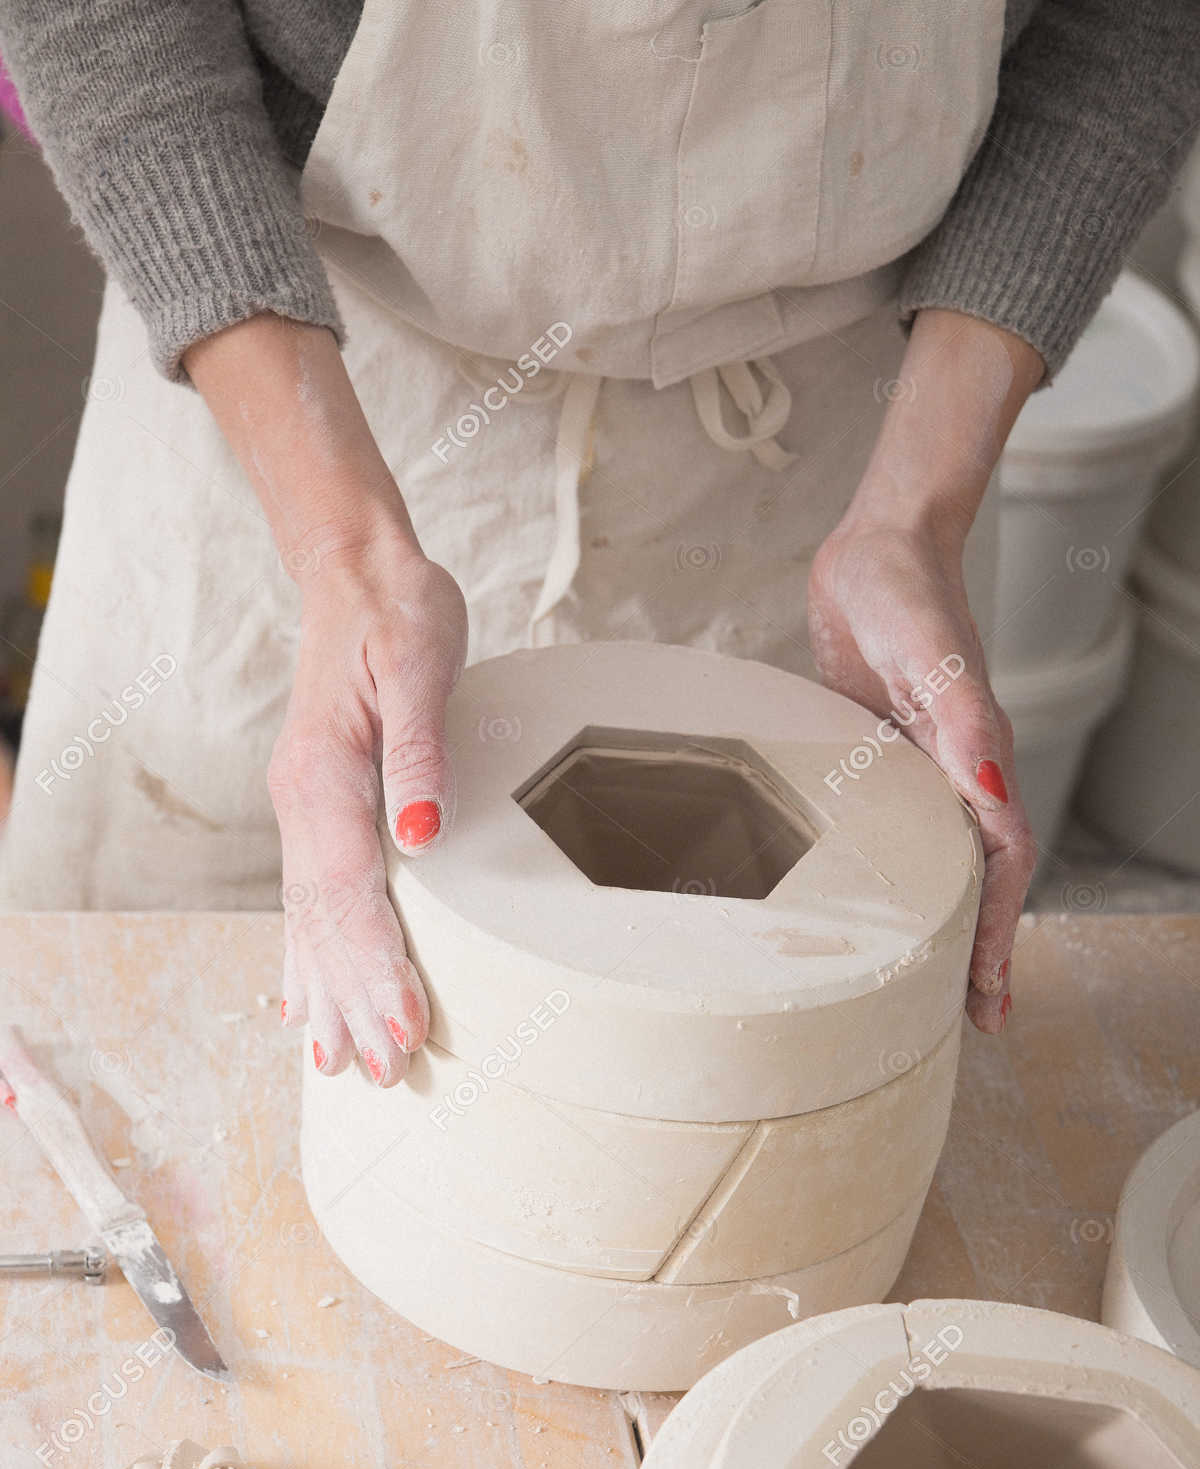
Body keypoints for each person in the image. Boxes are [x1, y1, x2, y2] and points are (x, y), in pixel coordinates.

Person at [0, 1, 1196, 1085]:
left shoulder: (891, 496)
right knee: (160, 1085)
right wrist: (343, 554)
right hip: (306, 376)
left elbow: (1131, 27)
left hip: (837, 446)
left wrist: (913, 518)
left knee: (742, 1089)